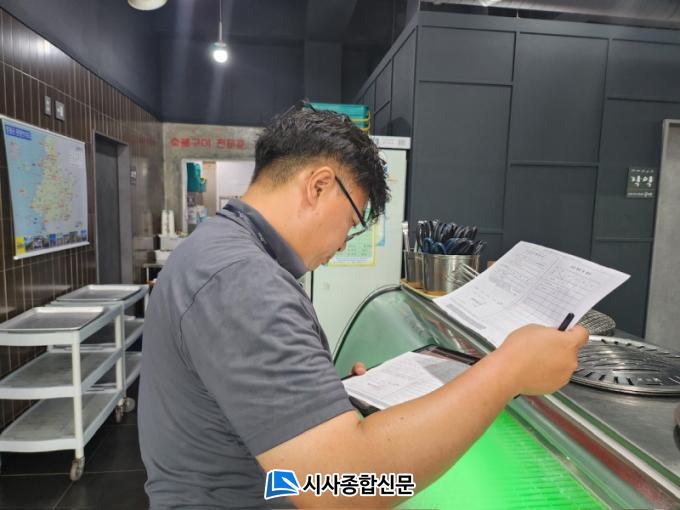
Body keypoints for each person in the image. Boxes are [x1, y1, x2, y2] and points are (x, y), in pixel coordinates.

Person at [138, 104, 588, 509]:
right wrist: (507, 371)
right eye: (352, 223)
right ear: (318, 186)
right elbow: (340, 492)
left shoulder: (216, 247)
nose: (341, 246)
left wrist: (323, 403)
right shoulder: (243, 281)